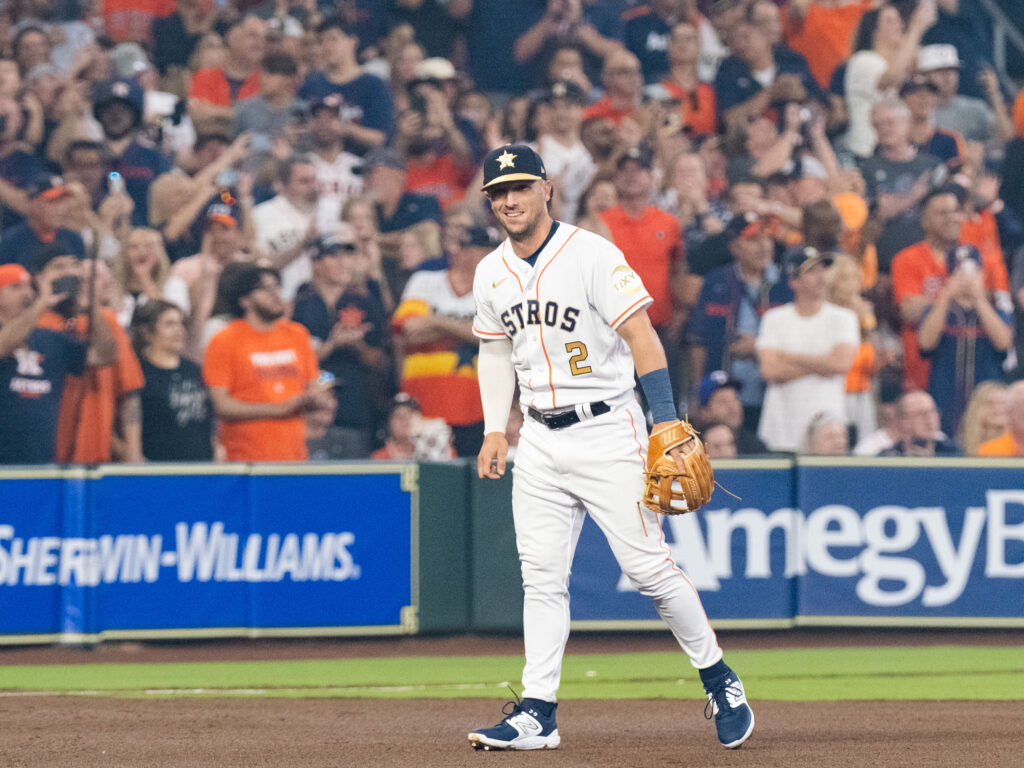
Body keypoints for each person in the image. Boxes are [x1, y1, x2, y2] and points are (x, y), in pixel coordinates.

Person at [468, 144, 753, 752]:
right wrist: (497, 428)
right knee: (540, 579)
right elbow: (495, 351)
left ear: (547, 188)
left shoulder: (592, 254)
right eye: (499, 192)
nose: (510, 200)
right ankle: (537, 711)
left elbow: (643, 337)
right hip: (539, 439)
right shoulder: (490, 270)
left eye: (519, 187)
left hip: (607, 427)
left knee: (649, 570)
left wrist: (665, 423)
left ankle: (719, 677)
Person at [201, 264, 326, 462]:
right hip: (245, 459)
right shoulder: (224, 340)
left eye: (277, 286)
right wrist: (279, 409)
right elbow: (221, 404)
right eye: (266, 289)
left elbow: (314, 383)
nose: (276, 294)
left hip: (295, 455)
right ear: (244, 301)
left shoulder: (297, 334)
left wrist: (317, 397)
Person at [393, 226, 493, 457]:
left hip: (479, 406)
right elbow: (409, 330)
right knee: (432, 482)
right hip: (424, 404)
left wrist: (437, 320)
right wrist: (468, 329)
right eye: (485, 251)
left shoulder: (498, 290)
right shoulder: (425, 281)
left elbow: (495, 336)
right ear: (467, 253)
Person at [293, 233, 388, 458]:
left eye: (347, 256)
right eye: (334, 256)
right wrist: (333, 344)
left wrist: (358, 346)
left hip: (355, 405)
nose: (344, 262)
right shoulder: (298, 305)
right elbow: (292, 361)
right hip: (309, 409)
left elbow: (380, 361)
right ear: (316, 262)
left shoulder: (364, 302)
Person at [756, 247, 858, 452]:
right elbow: (770, 370)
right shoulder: (774, 319)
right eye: (812, 272)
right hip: (782, 429)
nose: (822, 277)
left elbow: (840, 364)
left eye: (823, 270)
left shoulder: (843, 318)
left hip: (828, 427)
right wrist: (823, 365)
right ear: (793, 281)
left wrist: (788, 356)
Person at [0, 263, 98, 464]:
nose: (26, 293)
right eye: (16, 287)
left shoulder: (49, 338)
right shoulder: (25, 323)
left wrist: (93, 306)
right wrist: (42, 303)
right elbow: (3, 346)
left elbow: (103, 356)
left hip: (41, 460)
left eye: (29, 286)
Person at [917, 244, 1012, 437]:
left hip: (986, 405)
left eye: (973, 272)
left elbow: (1004, 342)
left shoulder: (997, 308)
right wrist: (946, 296)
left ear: (982, 274)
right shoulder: (937, 310)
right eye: (959, 273)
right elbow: (926, 342)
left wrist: (979, 298)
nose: (967, 279)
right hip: (945, 397)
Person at [130, 299, 214, 461]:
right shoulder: (138, 373)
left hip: (201, 466)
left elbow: (206, 417)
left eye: (180, 324)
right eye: (169, 324)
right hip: (159, 469)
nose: (179, 330)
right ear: (147, 332)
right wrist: (133, 456)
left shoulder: (194, 370)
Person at [0, 174, 86, 268]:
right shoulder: (10, 242)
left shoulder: (73, 240)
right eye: (52, 202)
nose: (60, 209)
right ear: (32, 203)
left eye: (62, 201)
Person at [694, 370, 767, 455]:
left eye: (735, 399)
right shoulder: (691, 448)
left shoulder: (755, 448)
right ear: (704, 412)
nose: (732, 407)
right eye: (722, 401)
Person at [880, 388, 959, 456]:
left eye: (933, 411)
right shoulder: (888, 459)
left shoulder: (954, 455)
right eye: (921, 414)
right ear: (904, 421)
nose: (929, 419)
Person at [957, 380, 1007, 457]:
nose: (997, 408)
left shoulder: (1019, 447)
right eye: (990, 403)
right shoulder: (959, 448)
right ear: (976, 408)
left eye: (1003, 403)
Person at [977, 380, 1024, 457]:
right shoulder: (989, 451)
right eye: (1019, 408)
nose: (997, 409)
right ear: (1009, 411)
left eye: (1001, 403)